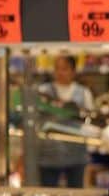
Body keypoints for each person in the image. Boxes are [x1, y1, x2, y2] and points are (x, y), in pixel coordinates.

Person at [36, 55, 95, 188]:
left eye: (64, 69)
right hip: (49, 153)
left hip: (76, 153)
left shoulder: (83, 92)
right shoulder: (43, 91)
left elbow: (89, 120)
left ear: (73, 71)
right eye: (57, 68)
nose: (60, 72)